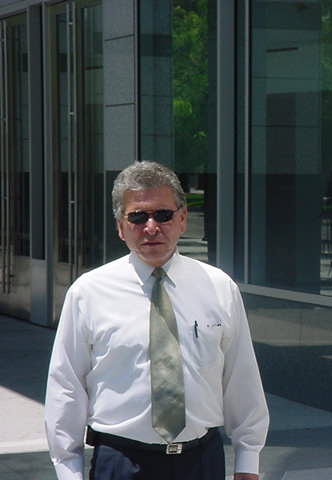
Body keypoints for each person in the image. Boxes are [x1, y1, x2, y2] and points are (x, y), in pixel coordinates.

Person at [45, 161, 269, 480]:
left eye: (163, 215)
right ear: (120, 227)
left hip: (202, 462)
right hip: (121, 463)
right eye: (138, 217)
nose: (151, 227)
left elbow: (241, 377)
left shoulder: (219, 287)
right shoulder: (88, 293)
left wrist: (248, 460)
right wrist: (69, 471)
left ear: (182, 219)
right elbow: (66, 386)